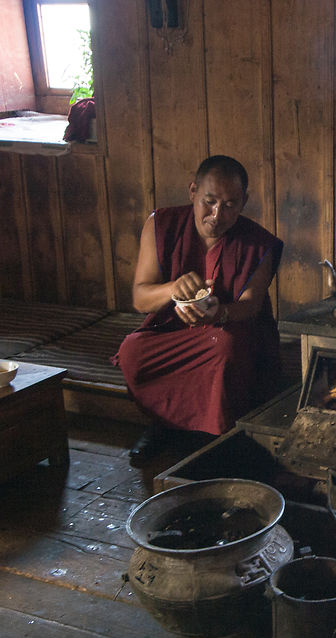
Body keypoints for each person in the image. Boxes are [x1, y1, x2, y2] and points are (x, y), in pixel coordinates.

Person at [114, 155, 284, 465]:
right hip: (171, 332)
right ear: (193, 191)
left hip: (226, 332)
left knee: (224, 347)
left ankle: (214, 437)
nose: (217, 215)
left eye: (231, 204)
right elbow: (140, 299)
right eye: (210, 201)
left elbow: (251, 306)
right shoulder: (161, 225)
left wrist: (219, 314)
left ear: (244, 201)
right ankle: (163, 424)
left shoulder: (259, 243)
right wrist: (172, 289)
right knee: (132, 352)